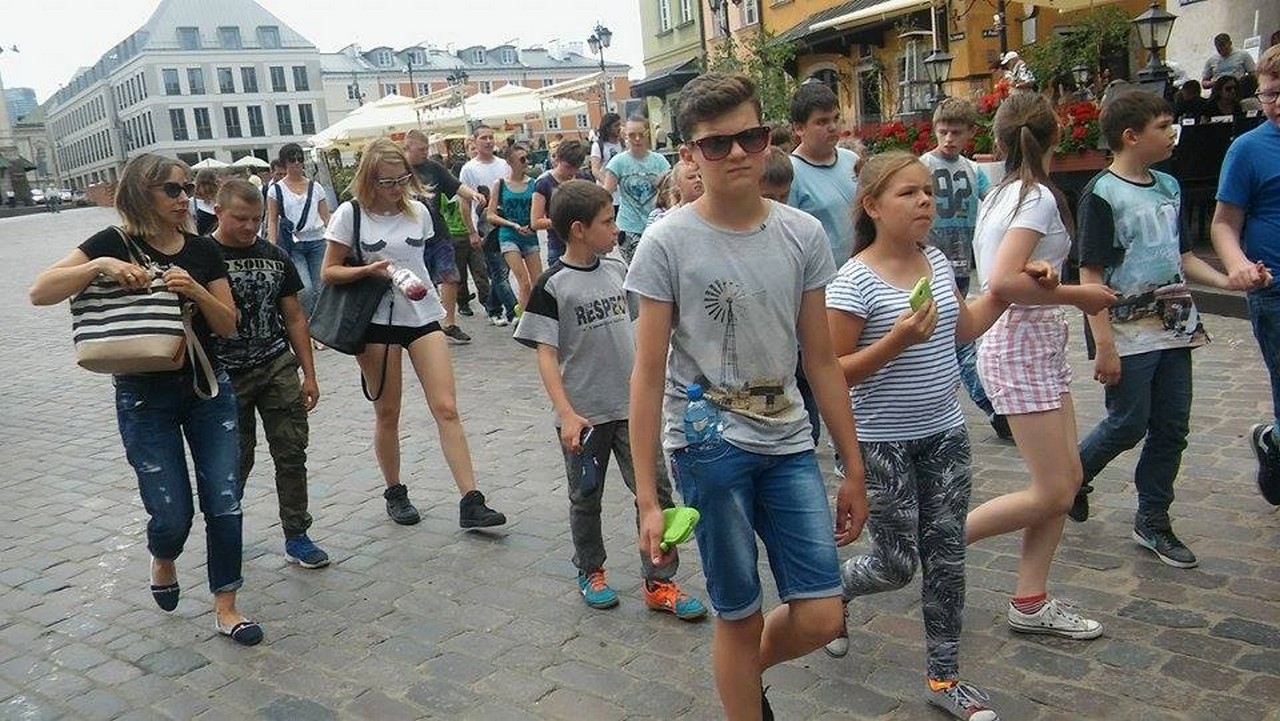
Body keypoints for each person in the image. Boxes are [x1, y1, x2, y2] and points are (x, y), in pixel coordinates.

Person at [626, 72, 869, 720]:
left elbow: (821, 358)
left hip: (788, 438)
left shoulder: (801, 234)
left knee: (822, 613)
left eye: (750, 137)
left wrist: (853, 466)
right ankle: (742, 694)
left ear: (768, 139)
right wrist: (649, 500)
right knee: (738, 613)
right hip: (707, 448)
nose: (736, 153)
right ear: (689, 153)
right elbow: (646, 374)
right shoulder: (666, 242)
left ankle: (738, 676)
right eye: (716, 143)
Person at [824, 152, 1054, 721]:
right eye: (908, 193)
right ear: (873, 206)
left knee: (947, 557)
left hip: (945, 435)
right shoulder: (853, 281)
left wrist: (1012, 287)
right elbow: (834, 370)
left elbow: (964, 327)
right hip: (881, 443)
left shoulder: (934, 260)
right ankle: (834, 588)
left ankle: (944, 676)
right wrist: (897, 341)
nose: (925, 200)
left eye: (927, 191)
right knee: (896, 563)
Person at [29, 153, 262, 646]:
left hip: (207, 388)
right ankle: (163, 554)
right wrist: (100, 265)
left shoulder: (202, 249)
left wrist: (196, 290)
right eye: (172, 189)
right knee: (171, 512)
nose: (184, 198)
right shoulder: (112, 242)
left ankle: (227, 605)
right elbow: (40, 292)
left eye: (187, 188)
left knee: (224, 501)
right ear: (142, 193)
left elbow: (228, 324)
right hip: (142, 395)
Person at [1070, 91, 1263, 567]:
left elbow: (1183, 258)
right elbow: (1090, 274)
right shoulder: (1101, 194)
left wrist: (1229, 281)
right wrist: (1104, 344)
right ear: (1131, 136)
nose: (1172, 132)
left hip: (1175, 325)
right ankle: (1071, 477)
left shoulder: (1169, 187)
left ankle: (1152, 519)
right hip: (1126, 329)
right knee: (1127, 423)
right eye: (1162, 125)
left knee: (1172, 427)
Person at [514, 179, 708, 620]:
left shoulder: (619, 270)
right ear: (579, 229)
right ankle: (591, 570)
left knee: (655, 493)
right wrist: (566, 413)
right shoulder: (551, 285)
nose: (616, 229)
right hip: (584, 418)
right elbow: (546, 355)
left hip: (633, 410)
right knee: (586, 497)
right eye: (607, 221)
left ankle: (660, 580)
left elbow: (641, 327)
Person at [965, 92, 1117, 640]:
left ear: (1000, 139)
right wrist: (1080, 295)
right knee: (1054, 491)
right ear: (1057, 133)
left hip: (1032, 343)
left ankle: (1030, 600)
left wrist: (1054, 282)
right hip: (1021, 345)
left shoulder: (1006, 193)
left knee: (1067, 480)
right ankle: (936, 538)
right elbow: (1003, 281)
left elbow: (1015, 274)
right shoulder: (1035, 197)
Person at [320, 138, 507, 529]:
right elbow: (329, 271)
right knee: (388, 412)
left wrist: (447, 283)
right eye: (386, 182)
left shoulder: (419, 210)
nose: (395, 188)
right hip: (377, 321)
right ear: (369, 179)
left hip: (422, 315)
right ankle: (395, 490)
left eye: (401, 180)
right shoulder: (350, 214)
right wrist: (369, 270)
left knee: (447, 407)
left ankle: (471, 500)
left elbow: (434, 254)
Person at [209, 179, 329, 570]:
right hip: (225, 375)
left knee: (291, 452)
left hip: (276, 364)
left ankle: (297, 534)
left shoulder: (275, 256)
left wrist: (309, 374)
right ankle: (226, 532)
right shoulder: (202, 256)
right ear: (218, 212)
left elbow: (294, 317)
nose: (249, 227)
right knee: (234, 460)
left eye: (256, 219)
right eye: (240, 218)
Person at [1211, 44, 1280, 505]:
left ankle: (1273, 440)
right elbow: (1223, 224)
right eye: (1270, 94)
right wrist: (1237, 264)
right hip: (1273, 289)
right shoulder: (1248, 149)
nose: (1276, 103)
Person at [920, 98, 1009, 440]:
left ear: (970, 132)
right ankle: (990, 406)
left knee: (954, 336)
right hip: (929, 264)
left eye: (956, 133)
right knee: (958, 339)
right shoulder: (923, 165)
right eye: (943, 132)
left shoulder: (973, 170)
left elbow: (996, 204)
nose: (948, 139)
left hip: (961, 264)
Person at [788, 81, 859, 443]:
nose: (832, 128)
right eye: (821, 122)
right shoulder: (791, 172)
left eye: (835, 119)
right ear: (799, 128)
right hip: (822, 291)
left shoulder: (850, 162)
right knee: (825, 366)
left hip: (860, 282)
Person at [404, 129, 484, 344]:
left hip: (438, 232)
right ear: (408, 148)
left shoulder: (433, 168)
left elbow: (456, 186)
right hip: (411, 238)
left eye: (426, 148)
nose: (425, 153)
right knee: (420, 282)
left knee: (450, 276)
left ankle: (449, 322)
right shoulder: (399, 169)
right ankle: (425, 323)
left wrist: (473, 195)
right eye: (421, 149)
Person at [265, 144, 331, 320]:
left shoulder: (316, 187)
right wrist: (272, 246)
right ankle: (306, 323)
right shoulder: (275, 190)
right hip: (292, 244)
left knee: (320, 288)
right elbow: (272, 219)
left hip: (318, 241)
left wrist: (337, 239)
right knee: (305, 289)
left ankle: (319, 326)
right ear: (284, 163)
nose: (296, 163)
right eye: (291, 159)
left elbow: (326, 217)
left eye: (299, 159)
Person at [460, 125, 516, 326]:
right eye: (483, 137)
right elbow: (464, 202)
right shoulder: (469, 169)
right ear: (474, 142)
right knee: (499, 271)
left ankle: (493, 307)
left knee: (502, 271)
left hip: (506, 222)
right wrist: (471, 231)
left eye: (491, 137)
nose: (488, 141)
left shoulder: (504, 165)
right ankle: (514, 312)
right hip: (485, 227)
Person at [601, 116, 671, 262]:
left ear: (648, 134)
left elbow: (670, 191)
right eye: (632, 135)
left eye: (641, 134)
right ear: (625, 135)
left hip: (656, 224)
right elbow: (605, 195)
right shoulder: (618, 162)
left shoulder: (660, 161)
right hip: (629, 227)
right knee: (639, 267)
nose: (637, 139)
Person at [486, 144, 540, 310]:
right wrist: (513, 224)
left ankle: (535, 313)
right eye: (522, 159)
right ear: (510, 162)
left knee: (538, 282)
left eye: (527, 158)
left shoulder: (534, 184)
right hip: (509, 235)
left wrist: (535, 224)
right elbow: (490, 215)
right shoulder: (500, 184)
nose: (526, 162)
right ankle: (523, 317)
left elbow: (541, 211)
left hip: (530, 235)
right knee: (523, 281)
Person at [531, 139, 590, 267]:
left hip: (586, 243)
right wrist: (565, 221)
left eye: (576, 168)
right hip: (558, 246)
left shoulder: (584, 178)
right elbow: (535, 222)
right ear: (557, 159)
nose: (572, 172)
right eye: (567, 167)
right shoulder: (544, 183)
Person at [589, 112, 623, 188]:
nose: (619, 128)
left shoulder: (622, 144)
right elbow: (595, 170)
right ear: (608, 128)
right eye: (616, 126)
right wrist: (608, 183)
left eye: (619, 125)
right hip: (605, 187)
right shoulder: (598, 146)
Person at [190, 169, 219, 235]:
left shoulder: (220, 201)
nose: (207, 188)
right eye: (204, 184)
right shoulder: (191, 202)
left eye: (209, 185)